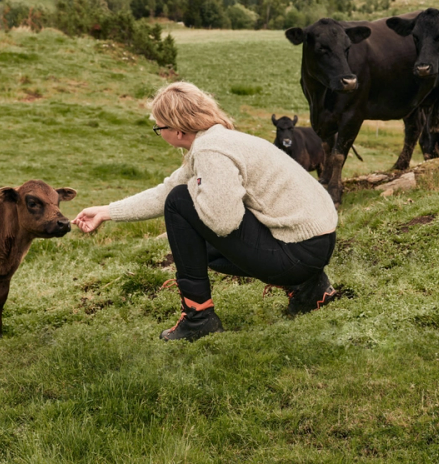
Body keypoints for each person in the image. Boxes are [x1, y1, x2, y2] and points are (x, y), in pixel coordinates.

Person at [73, 82, 339, 341]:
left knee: (180, 203)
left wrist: (198, 192)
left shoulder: (210, 150)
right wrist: (107, 211)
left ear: (177, 130)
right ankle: (310, 288)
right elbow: (164, 191)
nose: (158, 132)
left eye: (158, 127)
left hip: (297, 254)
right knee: (186, 211)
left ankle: (198, 318)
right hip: (316, 242)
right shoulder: (219, 139)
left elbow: (222, 222)